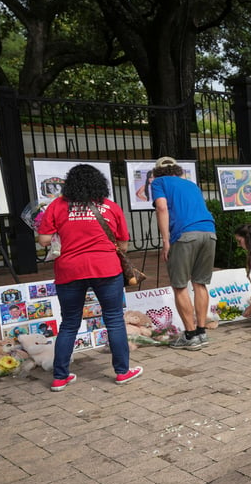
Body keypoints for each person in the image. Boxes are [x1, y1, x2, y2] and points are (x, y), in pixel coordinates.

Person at [36, 164, 143, 391]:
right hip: (106, 269)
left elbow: (44, 240)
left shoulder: (56, 206)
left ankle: (60, 377)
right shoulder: (110, 207)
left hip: (69, 270)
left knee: (69, 323)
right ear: (99, 183)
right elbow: (123, 243)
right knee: (114, 319)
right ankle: (122, 372)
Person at [151, 156, 217, 350]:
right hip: (209, 232)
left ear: (157, 171)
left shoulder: (159, 182)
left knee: (179, 285)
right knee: (200, 283)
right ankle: (201, 332)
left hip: (184, 234)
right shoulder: (191, 185)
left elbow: (161, 207)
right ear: (177, 170)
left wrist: (165, 241)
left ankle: (190, 335)